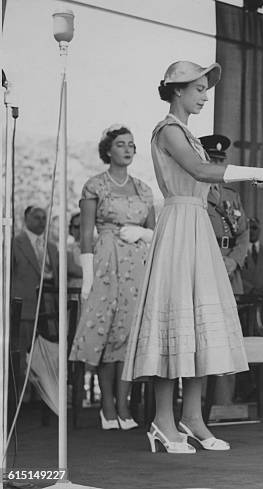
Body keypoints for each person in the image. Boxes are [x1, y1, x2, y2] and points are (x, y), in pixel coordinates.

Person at [122, 60, 263, 454]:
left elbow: (206, 172)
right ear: (177, 90)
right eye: (198, 89)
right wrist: (258, 172)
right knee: (174, 321)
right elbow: (200, 170)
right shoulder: (168, 130)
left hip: (197, 228)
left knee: (198, 323)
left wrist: (260, 176)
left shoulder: (189, 133)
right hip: (179, 225)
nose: (204, 96)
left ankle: (192, 418)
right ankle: (162, 421)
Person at [69, 125, 155, 432]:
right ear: (108, 150)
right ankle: (107, 407)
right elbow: (85, 233)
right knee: (106, 333)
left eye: (132, 144)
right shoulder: (95, 186)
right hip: (107, 262)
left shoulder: (144, 189)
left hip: (138, 265)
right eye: (121, 144)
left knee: (129, 334)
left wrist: (144, 232)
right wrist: (89, 277)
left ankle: (123, 405)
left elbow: (156, 232)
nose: (128, 149)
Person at [199, 133, 249, 409]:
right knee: (206, 337)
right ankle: (204, 403)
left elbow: (244, 235)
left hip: (231, 272)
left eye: (221, 160)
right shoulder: (196, 190)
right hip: (206, 270)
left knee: (228, 337)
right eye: (211, 159)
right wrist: (218, 263)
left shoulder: (232, 195)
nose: (217, 164)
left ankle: (224, 403)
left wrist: (233, 262)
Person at [11, 205, 60, 395]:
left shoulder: (52, 246)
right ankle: (23, 397)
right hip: (25, 307)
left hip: (50, 307)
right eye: (37, 217)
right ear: (26, 219)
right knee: (23, 352)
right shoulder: (15, 243)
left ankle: (46, 396)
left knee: (48, 353)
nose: (41, 221)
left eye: (43, 218)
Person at [67, 212, 83, 289]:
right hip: (75, 291)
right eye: (77, 227)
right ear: (71, 229)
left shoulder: (99, 246)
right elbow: (71, 269)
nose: (81, 230)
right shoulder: (67, 247)